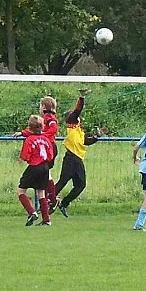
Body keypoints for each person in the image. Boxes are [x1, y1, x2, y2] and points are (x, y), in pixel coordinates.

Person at [54, 89, 103, 217]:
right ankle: (47, 201)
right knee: (63, 181)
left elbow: (86, 141)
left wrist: (97, 137)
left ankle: (63, 204)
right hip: (71, 158)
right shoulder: (72, 124)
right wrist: (81, 98)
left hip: (77, 159)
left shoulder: (79, 131)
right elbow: (77, 111)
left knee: (80, 185)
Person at [14, 96, 59, 210]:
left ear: (44, 106)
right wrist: (25, 133)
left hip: (48, 146)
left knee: (46, 175)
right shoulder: (45, 117)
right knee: (45, 175)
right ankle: (51, 201)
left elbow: (53, 130)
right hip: (45, 145)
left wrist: (41, 136)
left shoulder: (50, 117)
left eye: (40, 105)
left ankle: (53, 199)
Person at [17, 115, 54, 226]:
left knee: (21, 190)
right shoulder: (46, 139)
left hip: (34, 167)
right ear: (43, 127)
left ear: (29, 127)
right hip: (45, 167)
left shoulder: (29, 140)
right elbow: (51, 155)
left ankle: (32, 212)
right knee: (41, 193)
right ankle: (47, 220)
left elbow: (24, 156)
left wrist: (29, 159)